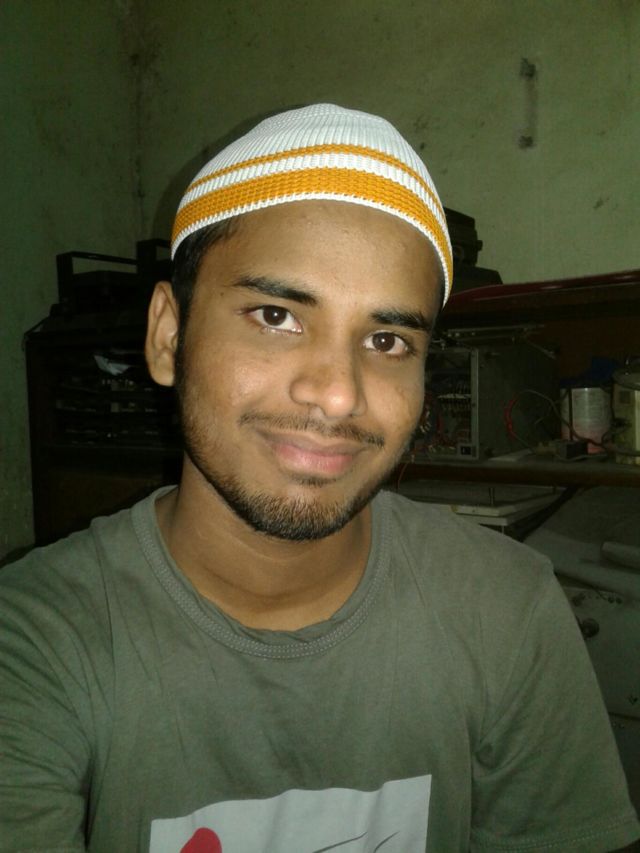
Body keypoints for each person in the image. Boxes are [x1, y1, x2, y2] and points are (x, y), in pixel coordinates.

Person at [1, 104, 638, 853]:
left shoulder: (507, 610)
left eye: (387, 339)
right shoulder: (34, 643)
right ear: (169, 335)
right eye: (276, 316)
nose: (337, 394)